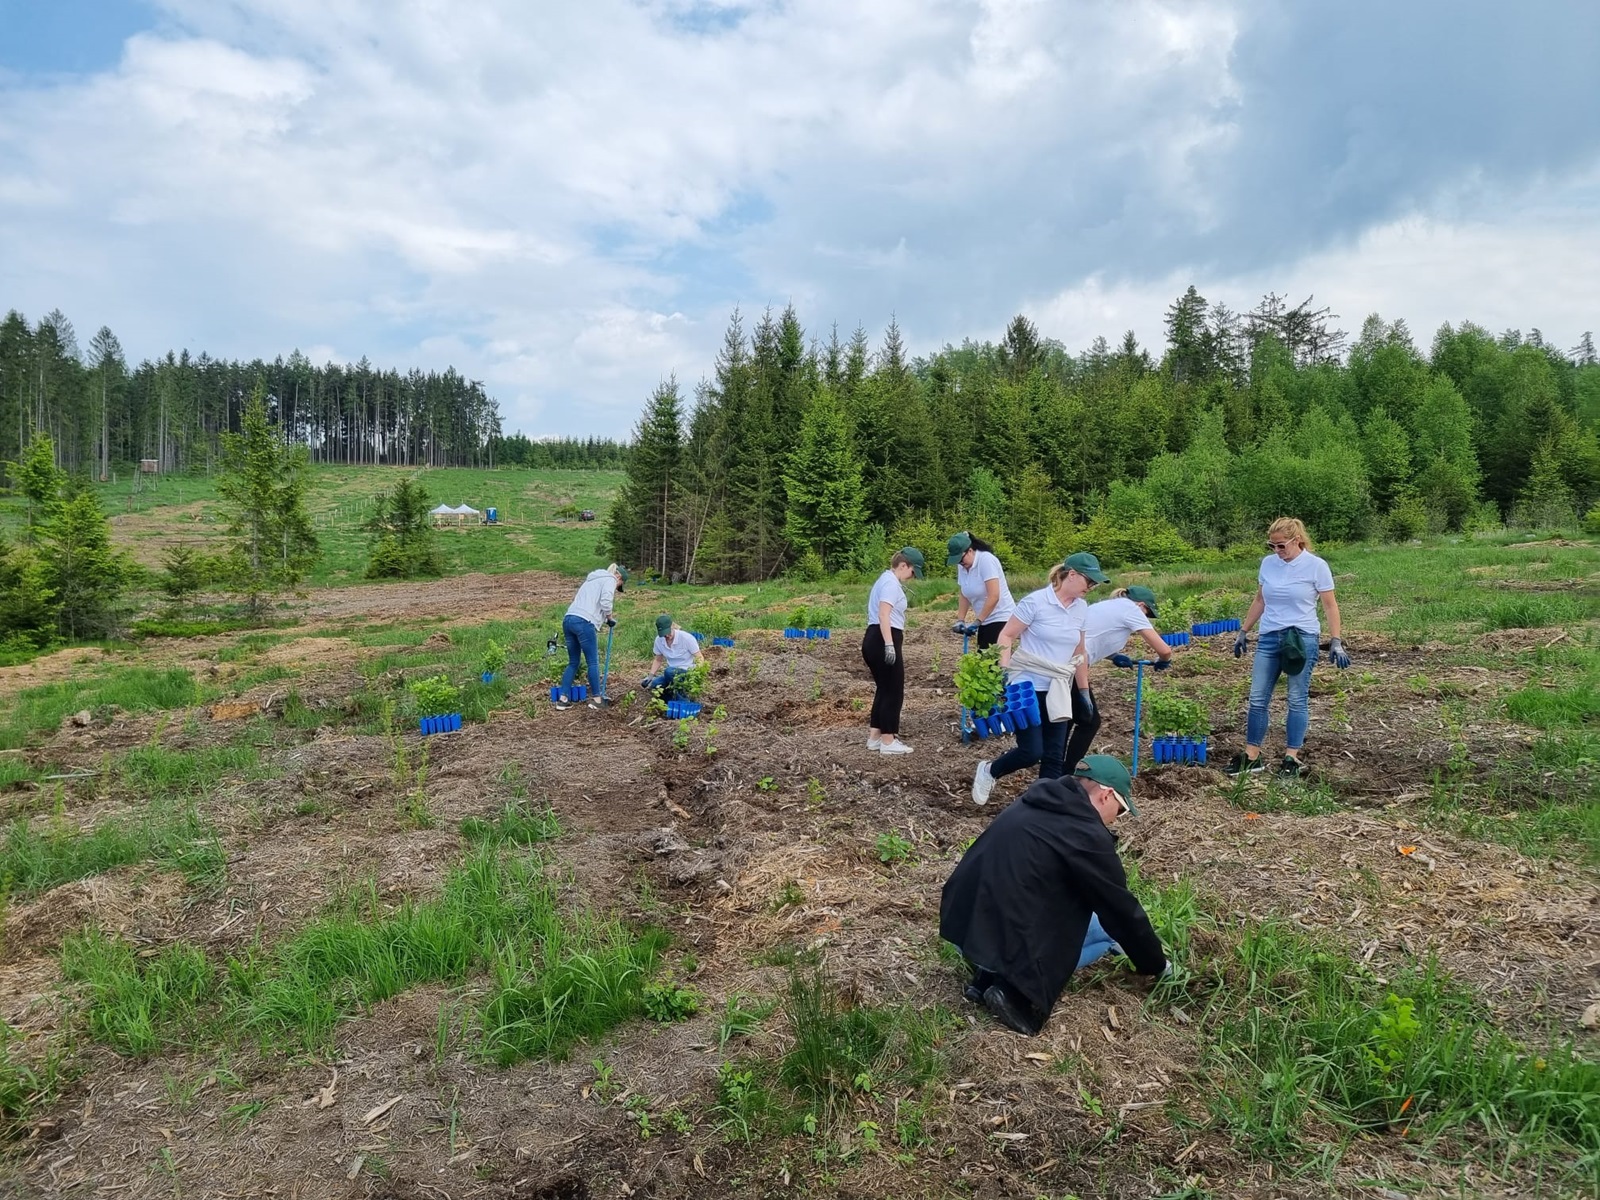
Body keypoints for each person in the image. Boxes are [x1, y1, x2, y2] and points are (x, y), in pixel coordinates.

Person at [940, 755, 1169, 1036]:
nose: (1117, 819)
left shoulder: (1037, 800)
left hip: (963, 927)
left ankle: (985, 977)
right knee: (1106, 930)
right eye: (1121, 810)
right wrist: (1155, 965)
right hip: (1002, 938)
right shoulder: (1086, 834)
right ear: (1106, 795)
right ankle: (1014, 990)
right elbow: (1122, 912)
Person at [970, 552, 1108, 806]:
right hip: (1028, 686)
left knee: (1055, 755)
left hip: (1059, 687)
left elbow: (1079, 652)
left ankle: (1044, 807)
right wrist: (1003, 671)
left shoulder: (1081, 608)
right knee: (1032, 751)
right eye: (1089, 581)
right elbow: (1007, 636)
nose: (1092, 587)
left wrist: (1084, 691)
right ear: (1072, 575)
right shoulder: (1035, 602)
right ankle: (990, 770)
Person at [1227, 517, 1350, 777]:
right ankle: (1252, 757)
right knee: (1258, 697)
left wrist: (1336, 640)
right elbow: (1260, 599)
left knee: (1296, 698)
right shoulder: (1268, 564)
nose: (1276, 551)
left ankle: (1291, 758)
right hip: (1270, 636)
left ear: (1298, 541)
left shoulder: (1316, 566)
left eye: (1281, 546)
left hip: (1301, 637)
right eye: (1271, 546)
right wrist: (1243, 630)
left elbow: (1330, 605)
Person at [1071, 585, 1174, 768]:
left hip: (1066, 660)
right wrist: (1162, 660)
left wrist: (1113, 655)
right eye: (1147, 613)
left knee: (1069, 717)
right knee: (1090, 721)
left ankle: (1056, 766)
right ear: (1141, 604)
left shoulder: (1110, 605)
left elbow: (1096, 635)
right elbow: (1164, 650)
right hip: (1074, 666)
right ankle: (1067, 770)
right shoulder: (1131, 609)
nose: (1146, 617)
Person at [862, 547, 926, 755]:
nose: (912, 576)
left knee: (884, 688)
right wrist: (889, 644)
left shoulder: (885, 579)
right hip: (883, 638)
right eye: (912, 571)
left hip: (874, 638)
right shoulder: (890, 583)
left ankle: (875, 737)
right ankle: (888, 740)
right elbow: (884, 614)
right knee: (893, 690)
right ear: (903, 565)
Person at [559, 562, 627, 710]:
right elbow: (605, 600)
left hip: (569, 619)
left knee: (573, 662)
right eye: (619, 584)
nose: (617, 587)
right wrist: (609, 618)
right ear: (619, 577)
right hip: (584, 621)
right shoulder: (610, 579)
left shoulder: (591, 579)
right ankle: (597, 699)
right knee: (593, 662)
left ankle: (562, 699)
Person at [946, 532, 1016, 649]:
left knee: (990, 661)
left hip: (1001, 618)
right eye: (958, 561)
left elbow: (994, 596)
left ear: (970, 550)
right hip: (985, 620)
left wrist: (977, 622)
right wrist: (960, 620)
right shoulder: (963, 565)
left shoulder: (986, 560)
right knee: (983, 659)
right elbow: (964, 593)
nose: (960, 564)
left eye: (961, 559)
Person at [642, 614, 705, 698]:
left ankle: (683, 699)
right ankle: (670, 701)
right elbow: (658, 660)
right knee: (656, 684)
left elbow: (700, 657)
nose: (667, 636)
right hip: (671, 674)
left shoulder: (686, 638)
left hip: (687, 672)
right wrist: (650, 676)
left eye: (668, 633)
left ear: (672, 626)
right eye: (664, 635)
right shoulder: (659, 640)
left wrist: (696, 675)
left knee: (668, 671)